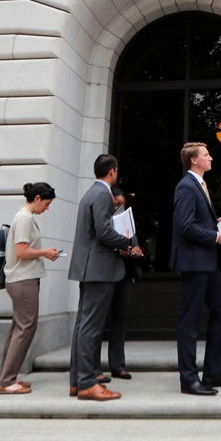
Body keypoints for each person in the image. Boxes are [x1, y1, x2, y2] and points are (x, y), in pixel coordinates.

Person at [68, 154, 137, 401]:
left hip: (90, 267)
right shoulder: (101, 194)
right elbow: (105, 231)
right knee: (90, 327)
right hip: (98, 268)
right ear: (112, 171)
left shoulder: (90, 193)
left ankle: (78, 381)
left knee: (83, 325)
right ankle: (87, 383)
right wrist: (127, 242)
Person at [172, 142, 221, 396]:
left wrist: (215, 222)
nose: (211, 158)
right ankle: (188, 379)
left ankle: (212, 372)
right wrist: (214, 236)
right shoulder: (186, 186)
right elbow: (185, 226)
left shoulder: (199, 185)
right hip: (194, 263)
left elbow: (196, 220)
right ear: (193, 160)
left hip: (207, 263)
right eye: (206, 155)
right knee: (190, 321)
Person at [0, 182, 60, 395]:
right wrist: (44, 253)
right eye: (47, 204)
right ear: (38, 198)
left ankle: (7, 377)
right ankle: (6, 381)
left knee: (19, 328)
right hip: (23, 279)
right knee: (24, 329)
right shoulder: (24, 218)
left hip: (21, 278)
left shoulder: (25, 217)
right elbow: (21, 251)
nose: (47, 208)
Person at [103, 187, 136, 381]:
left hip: (124, 273)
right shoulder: (101, 216)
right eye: (116, 203)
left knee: (120, 319)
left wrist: (134, 248)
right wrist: (120, 247)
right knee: (97, 322)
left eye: (122, 204)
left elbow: (133, 239)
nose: (119, 207)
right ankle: (92, 368)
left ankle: (118, 365)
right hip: (105, 273)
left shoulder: (126, 218)